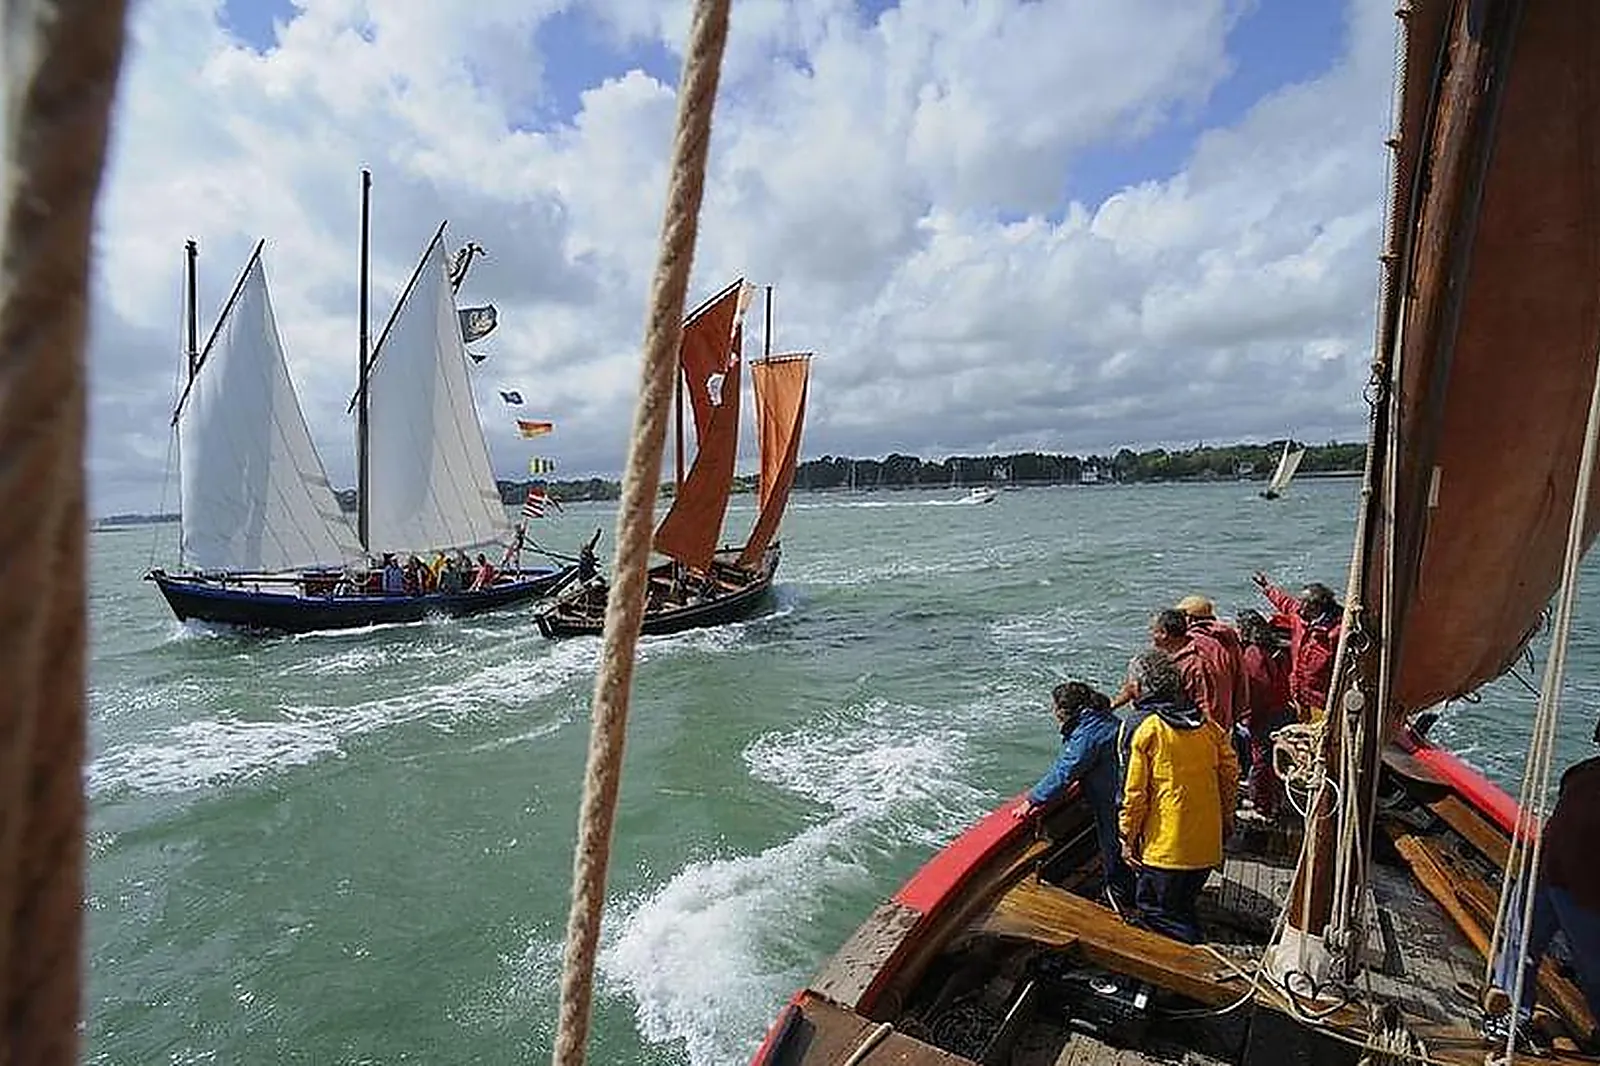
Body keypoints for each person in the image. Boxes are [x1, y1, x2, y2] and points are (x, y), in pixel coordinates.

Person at [1484, 720, 1600, 1047]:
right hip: (1554, 878)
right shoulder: (1581, 775)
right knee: (1523, 946)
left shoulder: (1580, 775)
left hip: (1572, 883)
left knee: (1583, 962)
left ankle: (1511, 1014)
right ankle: (1510, 1015)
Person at [1118, 648, 1239, 944]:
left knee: (1159, 914)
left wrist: (1127, 837)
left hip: (1166, 850)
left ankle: (1192, 966)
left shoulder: (1144, 728)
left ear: (1136, 687)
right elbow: (1229, 775)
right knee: (1182, 906)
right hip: (1206, 846)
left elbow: (1133, 794)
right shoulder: (1207, 725)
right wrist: (1226, 820)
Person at [1011, 682, 1132, 910]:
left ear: (1065, 711)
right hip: (1120, 792)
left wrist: (1032, 800)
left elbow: (1066, 771)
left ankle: (1120, 896)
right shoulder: (1106, 720)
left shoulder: (1088, 735)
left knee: (1113, 847)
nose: (1053, 712)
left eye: (1054, 707)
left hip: (1113, 801)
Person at [1251, 572, 1342, 719]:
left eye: (1304, 603)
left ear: (1317, 607)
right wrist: (1266, 587)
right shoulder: (1298, 616)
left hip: (1321, 698)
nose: (1300, 606)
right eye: (1300, 601)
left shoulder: (1335, 632)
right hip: (1299, 692)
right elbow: (1283, 602)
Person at [1115, 609, 1220, 727]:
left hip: (1179, 727)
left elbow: (1204, 705)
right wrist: (1112, 705)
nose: (1151, 635)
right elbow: (1131, 686)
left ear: (1164, 633)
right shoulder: (1163, 655)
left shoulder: (1192, 666)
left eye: (1154, 631)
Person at [1236, 609, 1293, 819]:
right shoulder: (1274, 647)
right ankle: (1275, 800)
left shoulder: (1253, 654)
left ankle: (1263, 808)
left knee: (1261, 762)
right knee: (1273, 760)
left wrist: (1248, 718)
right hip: (1282, 711)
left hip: (1265, 716)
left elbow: (1258, 689)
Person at [1176, 594, 1245, 738]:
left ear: (1189, 619)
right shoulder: (1229, 640)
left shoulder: (1192, 643)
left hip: (1201, 726)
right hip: (1226, 722)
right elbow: (1241, 681)